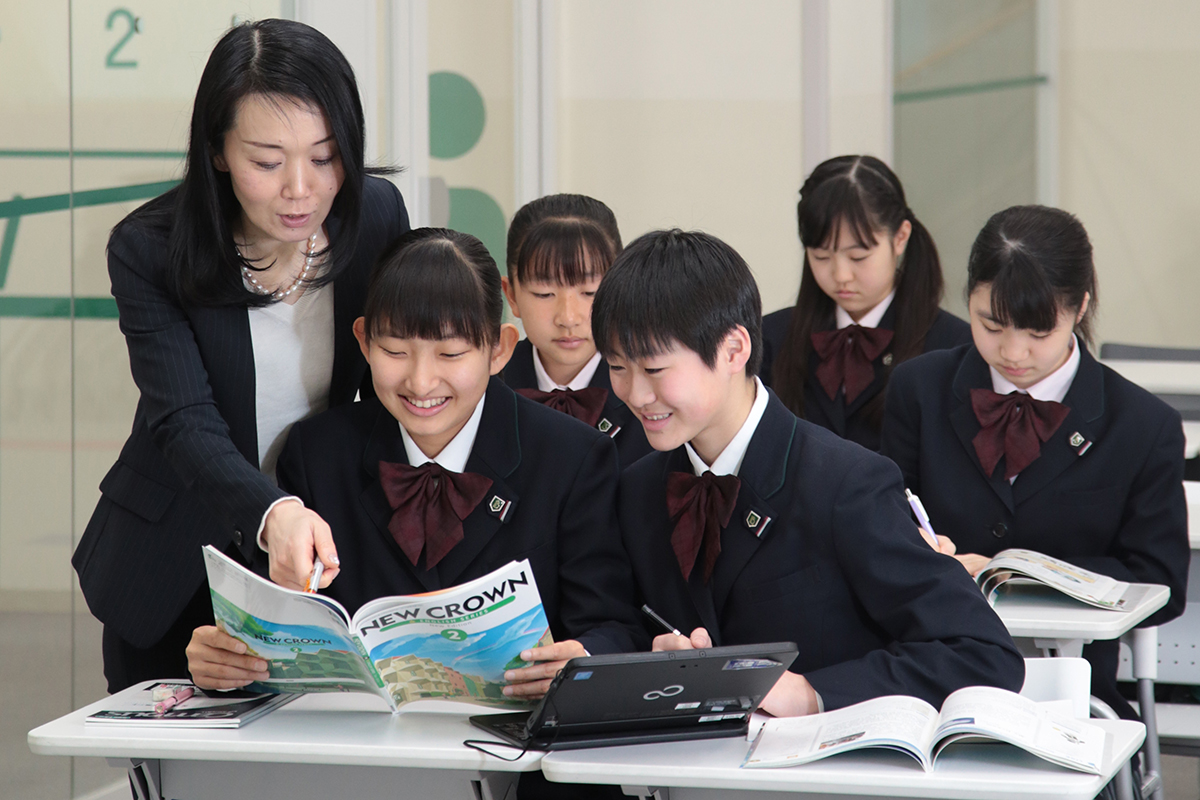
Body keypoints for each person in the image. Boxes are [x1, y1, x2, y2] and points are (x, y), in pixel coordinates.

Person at [72, 18, 410, 693]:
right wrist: (271, 513)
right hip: (174, 558)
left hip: (313, 557)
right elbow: (185, 420)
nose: (301, 188)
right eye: (266, 160)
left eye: (325, 155)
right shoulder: (150, 249)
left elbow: (385, 394)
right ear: (219, 151)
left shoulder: (374, 215)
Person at [186, 228, 645, 695]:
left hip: (515, 750)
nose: (421, 382)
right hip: (359, 749)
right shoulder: (318, 452)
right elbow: (276, 621)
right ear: (363, 341)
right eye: (395, 351)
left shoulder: (572, 455)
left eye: (450, 353)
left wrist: (581, 660)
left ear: (499, 349)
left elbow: (612, 624)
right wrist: (227, 658)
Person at [593, 228, 1024, 715]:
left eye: (653, 370)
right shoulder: (638, 489)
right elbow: (624, 623)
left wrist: (812, 693)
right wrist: (652, 661)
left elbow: (984, 654)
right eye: (615, 366)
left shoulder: (846, 484)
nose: (633, 393)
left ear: (734, 350)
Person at [881, 205, 1188, 719]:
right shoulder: (919, 389)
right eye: (991, 324)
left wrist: (1019, 575)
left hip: (1072, 687)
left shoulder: (1141, 424)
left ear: (1081, 306)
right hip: (929, 673)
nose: (1013, 351)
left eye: (1038, 332)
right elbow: (886, 525)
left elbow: (1161, 582)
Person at [761, 155, 971, 451]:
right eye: (821, 256)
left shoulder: (953, 347)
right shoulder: (770, 337)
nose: (840, 275)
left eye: (858, 257)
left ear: (900, 237)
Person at [501, 194, 652, 466]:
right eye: (544, 293)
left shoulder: (652, 393)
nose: (568, 318)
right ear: (511, 295)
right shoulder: (486, 389)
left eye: (589, 292)